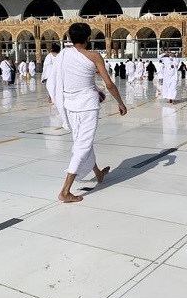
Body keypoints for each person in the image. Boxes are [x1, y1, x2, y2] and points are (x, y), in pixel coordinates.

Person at [46, 23, 127, 203]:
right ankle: (65, 191)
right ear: (88, 38)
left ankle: (98, 174)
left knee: (83, 141)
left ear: (69, 38)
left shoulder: (62, 56)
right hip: (88, 106)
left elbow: (53, 80)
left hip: (70, 106)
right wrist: (120, 103)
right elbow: (109, 84)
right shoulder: (93, 56)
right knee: (82, 145)